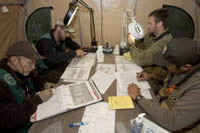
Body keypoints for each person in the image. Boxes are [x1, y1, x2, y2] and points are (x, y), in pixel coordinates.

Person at [128, 38, 200, 132]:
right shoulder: (180, 68)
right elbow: (170, 84)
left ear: (186, 67)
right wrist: (151, 76)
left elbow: (173, 121)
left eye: (167, 64)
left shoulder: (197, 88)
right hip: (159, 106)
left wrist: (138, 97)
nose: (164, 66)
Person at [0, 41, 53, 133]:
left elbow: (34, 84)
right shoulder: (2, 82)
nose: (33, 67)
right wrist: (37, 100)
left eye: (35, 63)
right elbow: (6, 120)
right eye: (30, 63)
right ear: (14, 60)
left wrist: (43, 85)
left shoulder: (22, 71)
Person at [128, 8, 173, 91]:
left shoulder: (164, 43)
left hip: (156, 80)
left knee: (129, 86)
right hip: (146, 72)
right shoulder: (152, 35)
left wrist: (131, 44)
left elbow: (140, 59)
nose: (147, 26)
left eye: (150, 23)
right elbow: (142, 46)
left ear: (159, 24)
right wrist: (135, 40)